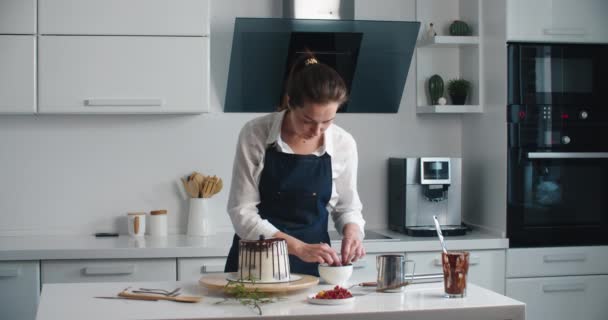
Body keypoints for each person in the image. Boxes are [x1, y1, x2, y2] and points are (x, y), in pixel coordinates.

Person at [224, 54, 366, 276]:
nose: (317, 131)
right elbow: (242, 212)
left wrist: (353, 232)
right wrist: (298, 248)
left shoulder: (343, 143)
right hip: (257, 263)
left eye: (328, 121)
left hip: (316, 265)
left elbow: (347, 207)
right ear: (290, 102)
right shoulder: (255, 134)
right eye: (308, 121)